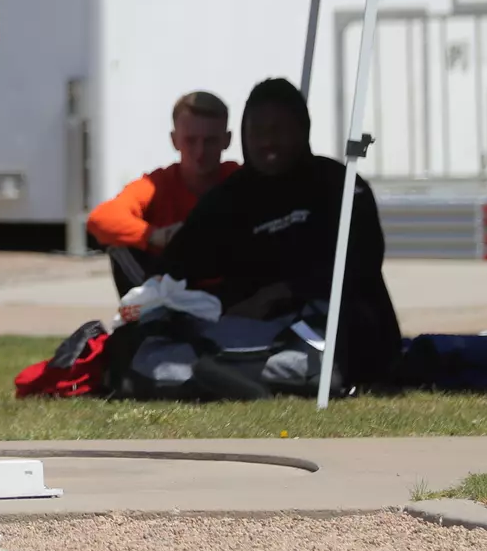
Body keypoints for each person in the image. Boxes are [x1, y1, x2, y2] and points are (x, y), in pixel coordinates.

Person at [163, 78, 402, 390]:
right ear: (244, 137)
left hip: (341, 331)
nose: (267, 142)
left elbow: (361, 264)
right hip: (251, 333)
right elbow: (179, 267)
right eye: (258, 132)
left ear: (302, 131)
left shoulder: (339, 187)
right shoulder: (229, 198)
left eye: (279, 130)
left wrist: (283, 292)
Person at [87, 90, 239, 297]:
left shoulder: (240, 180)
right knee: (120, 246)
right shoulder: (157, 184)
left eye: (210, 141)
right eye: (190, 141)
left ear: (227, 140)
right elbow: (101, 219)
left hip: (231, 291)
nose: (200, 152)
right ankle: (146, 319)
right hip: (169, 293)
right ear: (174, 140)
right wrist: (155, 236)